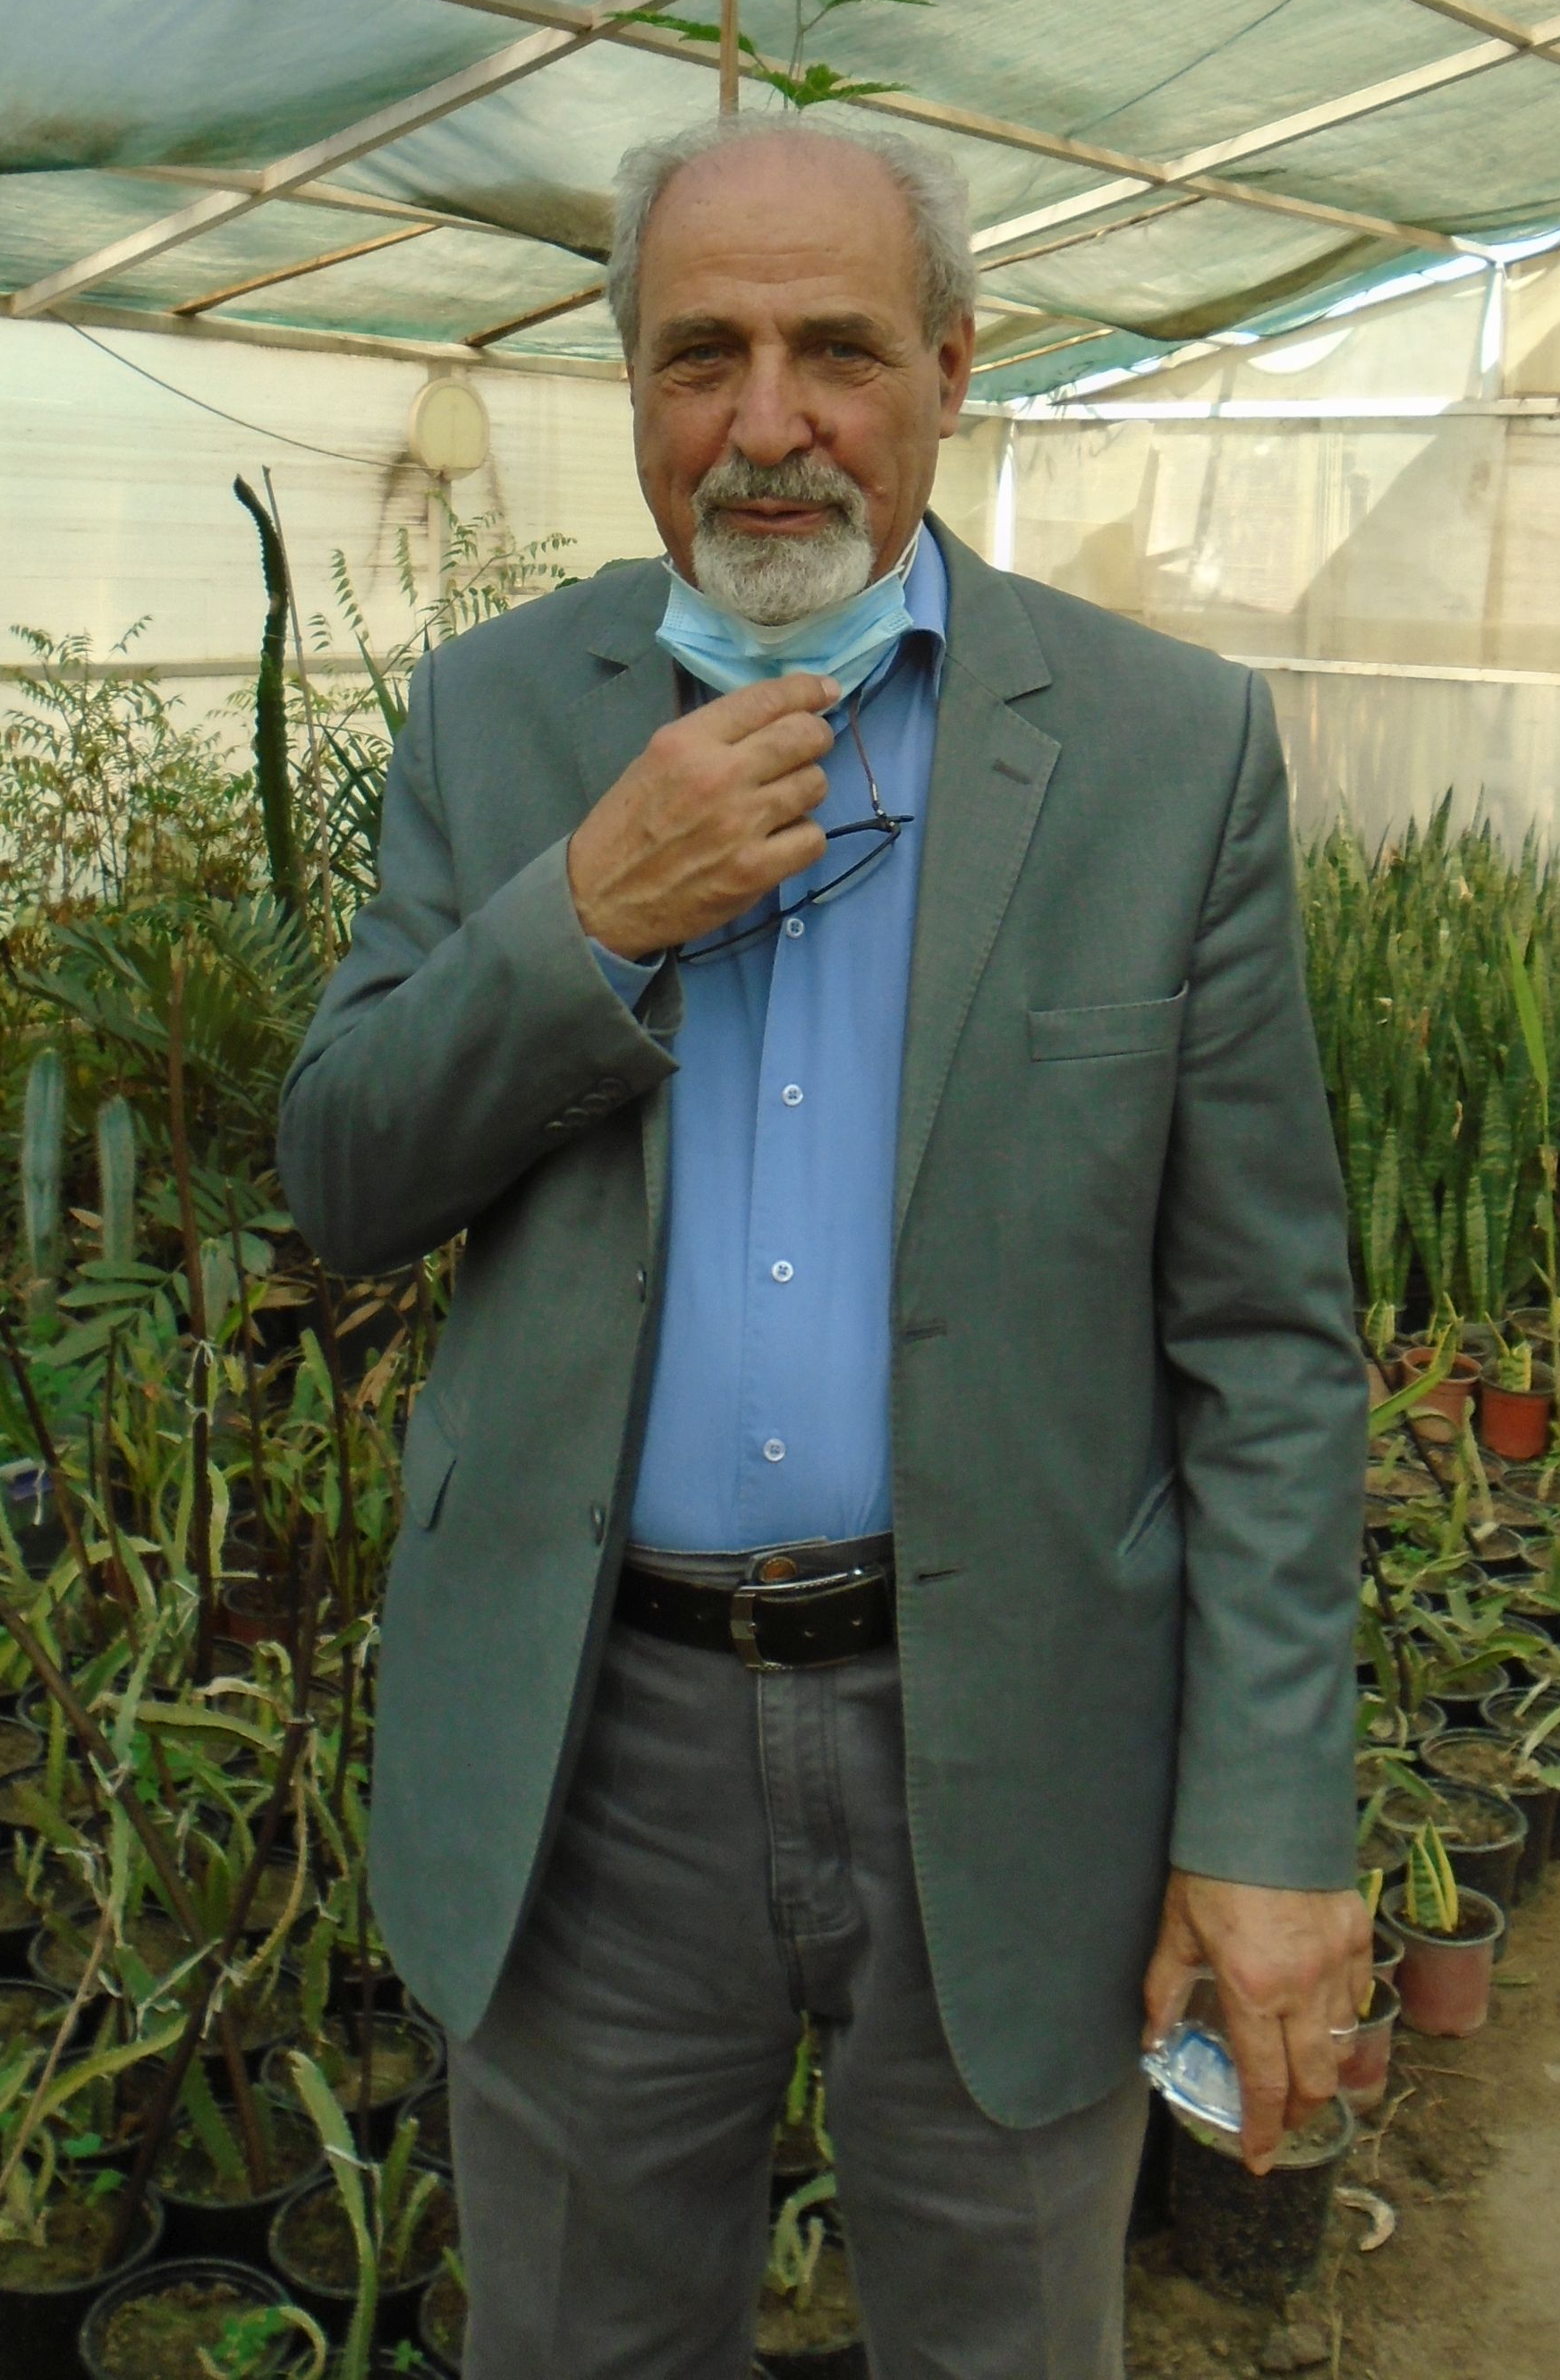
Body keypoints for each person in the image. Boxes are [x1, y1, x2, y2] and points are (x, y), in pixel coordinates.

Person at [278, 115, 1369, 2380]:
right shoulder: (504, 719)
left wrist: (1265, 1823)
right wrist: (584, 917)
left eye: (835, 351)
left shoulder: (1164, 754)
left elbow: (1266, 1342)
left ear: (955, 369)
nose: (768, 424)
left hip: (1014, 1745)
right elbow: (348, 1178)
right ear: (635, 388)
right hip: (599, 1745)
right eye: (704, 356)